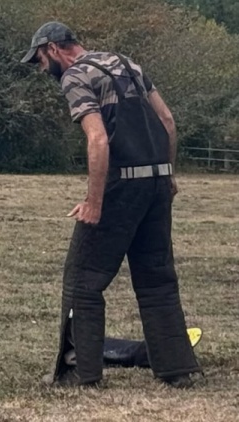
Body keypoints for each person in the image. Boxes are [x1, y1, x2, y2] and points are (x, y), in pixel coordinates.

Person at [20, 22, 202, 387]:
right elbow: (167, 121)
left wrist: (94, 201)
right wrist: (167, 175)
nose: (41, 69)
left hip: (123, 184)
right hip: (156, 182)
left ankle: (79, 371)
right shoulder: (126, 63)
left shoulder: (75, 75)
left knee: (82, 279)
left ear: (53, 49)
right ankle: (177, 369)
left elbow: (99, 139)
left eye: (39, 59)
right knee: (157, 279)